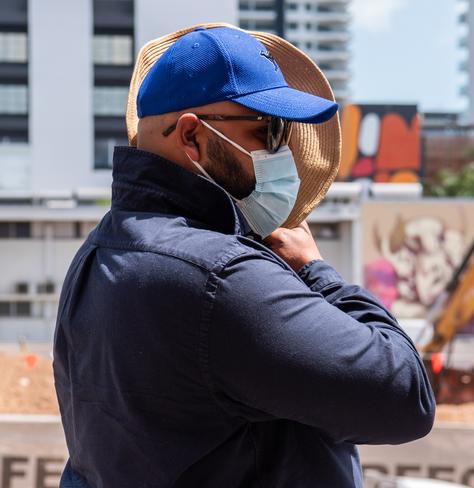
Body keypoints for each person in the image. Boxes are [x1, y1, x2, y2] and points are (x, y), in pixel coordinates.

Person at [54, 24, 434, 488]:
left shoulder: (97, 253)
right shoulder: (220, 277)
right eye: (267, 130)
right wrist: (316, 271)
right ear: (192, 136)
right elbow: (405, 398)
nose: (284, 154)